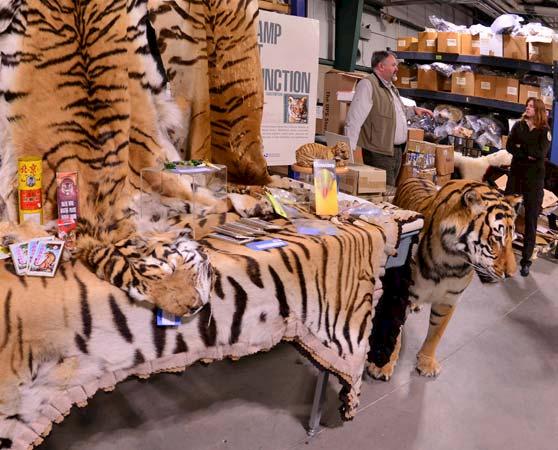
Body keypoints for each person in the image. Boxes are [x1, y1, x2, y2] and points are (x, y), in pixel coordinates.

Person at [344, 50, 433, 186]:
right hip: (379, 152)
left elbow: (397, 112)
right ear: (381, 66)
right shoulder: (368, 85)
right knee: (383, 191)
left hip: (396, 151)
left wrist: (415, 110)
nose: (397, 69)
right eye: (393, 65)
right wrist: (348, 153)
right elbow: (354, 119)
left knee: (390, 190)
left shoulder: (391, 87)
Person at [505, 97, 551, 277]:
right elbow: (509, 146)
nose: (528, 108)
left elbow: (540, 153)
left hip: (534, 181)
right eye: (527, 105)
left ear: (538, 110)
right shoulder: (518, 126)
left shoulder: (544, 130)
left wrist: (521, 148)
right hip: (516, 177)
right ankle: (504, 254)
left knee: (531, 220)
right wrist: (526, 152)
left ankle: (526, 261)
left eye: (531, 106)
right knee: (508, 215)